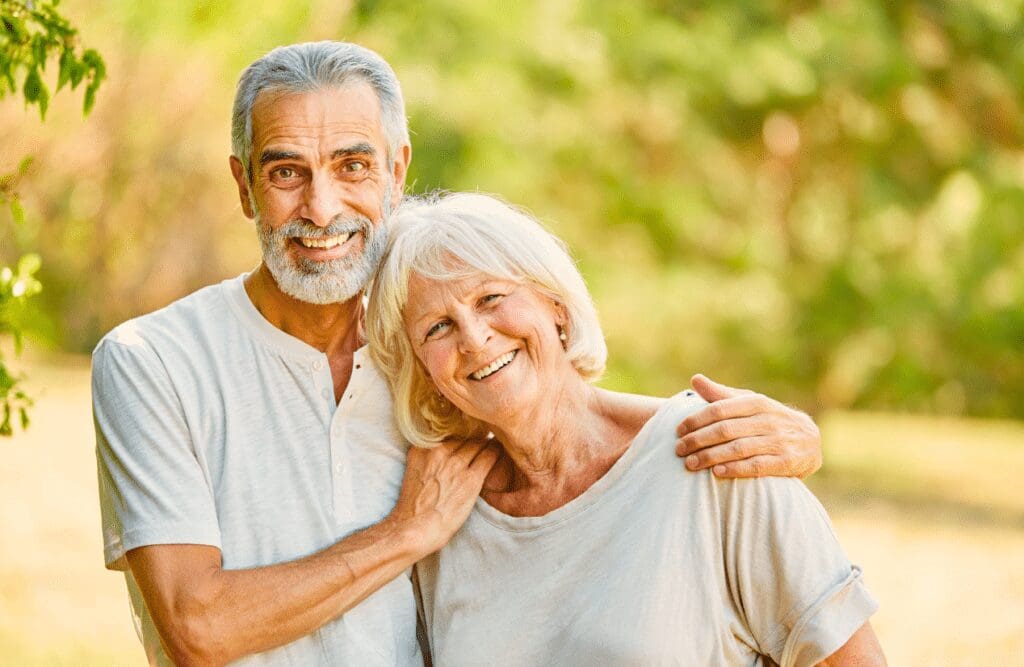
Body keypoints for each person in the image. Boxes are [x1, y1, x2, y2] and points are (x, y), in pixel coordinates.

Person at [93, 42, 824, 665]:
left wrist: (734, 430)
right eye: (286, 172)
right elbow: (197, 626)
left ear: (397, 169)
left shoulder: (429, 349)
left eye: (353, 166)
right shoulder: (152, 362)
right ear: (245, 185)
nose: (321, 209)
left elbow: (561, 422)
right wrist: (404, 533)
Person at [366, 192, 885, 666]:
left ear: (556, 306)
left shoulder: (716, 448)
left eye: (491, 299)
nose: (475, 338)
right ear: (425, 372)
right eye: (438, 326)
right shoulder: (443, 516)